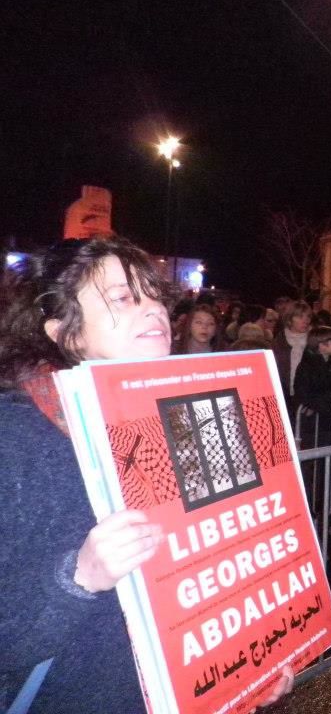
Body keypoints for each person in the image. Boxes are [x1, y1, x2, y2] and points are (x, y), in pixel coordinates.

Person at [0, 236, 293, 713]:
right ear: (64, 332)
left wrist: (255, 661)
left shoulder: (195, 414)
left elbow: (230, 564)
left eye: (154, 295)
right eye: (122, 298)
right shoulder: (14, 438)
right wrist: (78, 577)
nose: (153, 310)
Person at [272, 300, 312, 412]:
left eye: (308, 316)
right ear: (289, 319)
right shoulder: (278, 343)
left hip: (308, 398)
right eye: (300, 317)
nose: (305, 320)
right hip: (283, 396)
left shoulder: (314, 342)